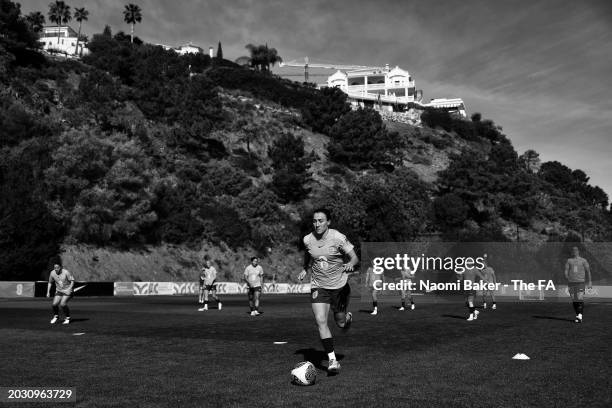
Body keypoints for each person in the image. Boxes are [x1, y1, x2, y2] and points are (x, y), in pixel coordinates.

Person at [298, 208, 359, 374]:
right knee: (320, 320)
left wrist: (351, 263)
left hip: (339, 286)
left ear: (328, 222)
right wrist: (305, 268)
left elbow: (354, 257)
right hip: (319, 285)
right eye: (314, 221)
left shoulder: (338, 237)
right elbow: (309, 255)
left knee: (340, 323)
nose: (317, 224)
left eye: (321, 221)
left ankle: (347, 318)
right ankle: (332, 360)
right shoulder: (307, 239)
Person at [564, 246, 591, 323]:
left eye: (576, 250)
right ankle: (578, 315)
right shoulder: (569, 260)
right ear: (572, 252)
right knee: (574, 300)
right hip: (571, 283)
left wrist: (590, 282)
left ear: (578, 251)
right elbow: (566, 270)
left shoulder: (583, 260)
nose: (574, 251)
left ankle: (580, 316)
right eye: (573, 250)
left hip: (580, 282)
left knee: (579, 299)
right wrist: (566, 276)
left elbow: (588, 271)